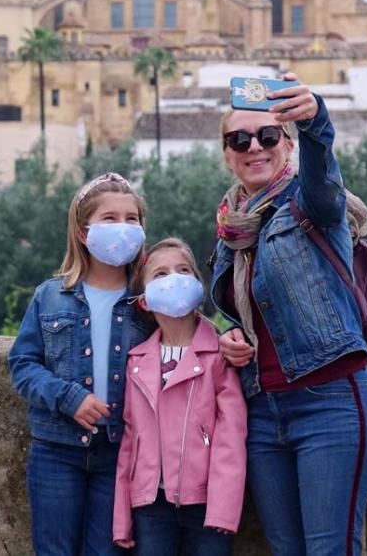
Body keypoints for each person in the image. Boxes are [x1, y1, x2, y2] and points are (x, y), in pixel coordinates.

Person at [211, 72, 367, 556]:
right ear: (227, 153)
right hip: (262, 410)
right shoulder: (231, 225)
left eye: (268, 136)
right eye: (238, 139)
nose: (254, 147)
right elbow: (257, 307)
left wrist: (315, 122)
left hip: (329, 401)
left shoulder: (312, 206)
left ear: (286, 146)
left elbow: (324, 174)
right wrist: (233, 336)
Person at [8, 172, 151, 556]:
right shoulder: (50, 296)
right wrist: (67, 397)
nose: (122, 226)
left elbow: (186, 346)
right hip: (57, 450)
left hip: (120, 453)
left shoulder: (149, 303)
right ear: (83, 231)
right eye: (109, 218)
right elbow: (23, 364)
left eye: (131, 218)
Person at [112, 238, 247, 555]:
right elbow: (130, 444)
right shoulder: (137, 362)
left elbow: (231, 438)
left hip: (205, 506)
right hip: (151, 506)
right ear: (144, 300)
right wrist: (122, 519)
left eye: (184, 270)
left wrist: (224, 511)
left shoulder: (219, 354)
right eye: (160, 274)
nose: (174, 278)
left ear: (199, 286)